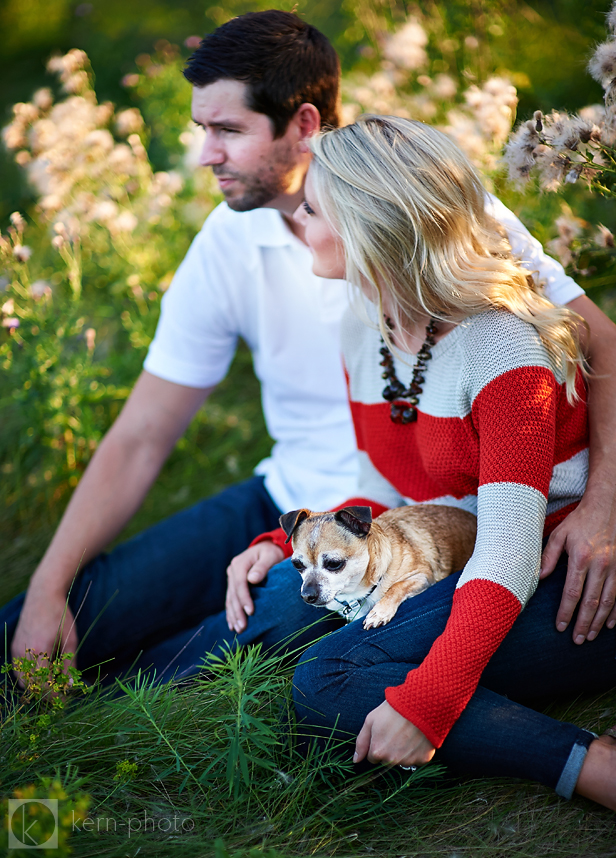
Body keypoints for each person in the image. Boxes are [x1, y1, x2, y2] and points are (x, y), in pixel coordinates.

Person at [3, 11, 616, 682]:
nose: (206, 154)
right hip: (284, 502)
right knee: (50, 623)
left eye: (227, 131)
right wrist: (49, 585)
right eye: (202, 129)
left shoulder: (430, 212)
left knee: (164, 680)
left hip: (385, 539)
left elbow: (598, 346)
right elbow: (142, 434)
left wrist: (600, 506)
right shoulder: (229, 239)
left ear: (302, 125)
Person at [286, 115, 616, 811]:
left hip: (566, 577)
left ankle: (590, 769)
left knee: (327, 679)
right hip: (466, 556)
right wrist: (285, 539)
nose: (297, 215)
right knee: (289, 611)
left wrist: (429, 703)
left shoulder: (500, 346)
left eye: (312, 206)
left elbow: (507, 557)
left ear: (368, 225)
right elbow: (387, 491)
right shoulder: (363, 324)